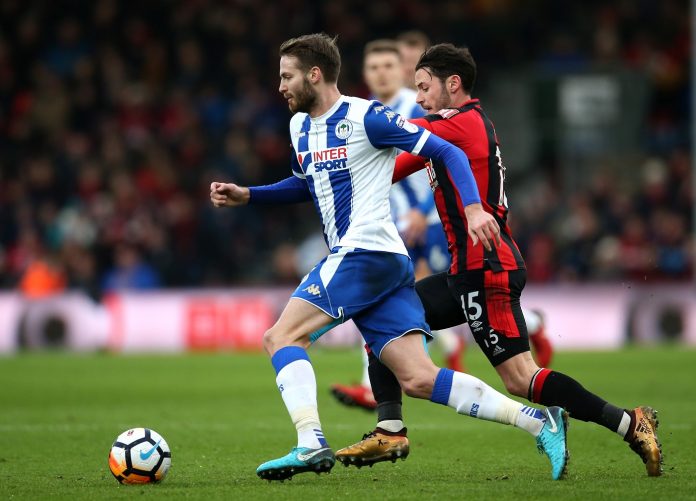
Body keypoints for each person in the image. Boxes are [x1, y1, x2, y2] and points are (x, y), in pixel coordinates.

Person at [210, 33, 568, 482]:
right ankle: (538, 421)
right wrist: (250, 195)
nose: (280, 86)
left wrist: (474, 207)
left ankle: (309, 442)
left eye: (287, 76)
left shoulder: (366, 117)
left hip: (364, 251)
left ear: (314, 74)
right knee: (417, 378)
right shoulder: (299, 126)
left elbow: (446, 149)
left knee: (280, 337)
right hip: (387, 264)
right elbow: (308, 183)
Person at [334, 43, 663, 478]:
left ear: (453, 84)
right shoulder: (447, 129)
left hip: (487, 270)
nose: (419, 98)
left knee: (521, 379)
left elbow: (394, 139)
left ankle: (628, 422)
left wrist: (335, 128)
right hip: (464, 272)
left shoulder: (460, 123)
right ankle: (390, 429)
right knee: (383, 317)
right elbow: (389, 168)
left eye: (425, 88)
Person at [330, 39, 462, 410]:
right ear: (365, 73)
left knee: (435, 297)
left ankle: (527, 325)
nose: (381, 73)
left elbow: (439, 157)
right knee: (395, 300)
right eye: (374, 68)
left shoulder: (415, 108)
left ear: (401, 69)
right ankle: (381, 384)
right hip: (390, 227)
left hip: (429, 220)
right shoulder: (362, 112)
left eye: (388, 66)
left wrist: (421, 210)